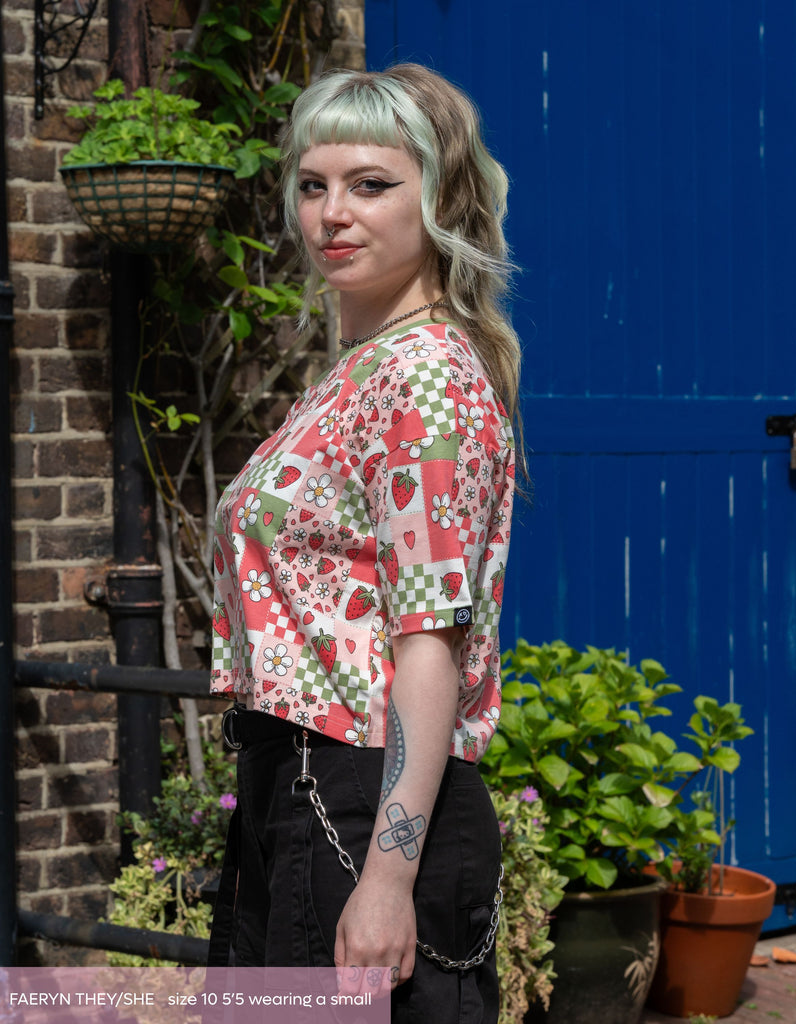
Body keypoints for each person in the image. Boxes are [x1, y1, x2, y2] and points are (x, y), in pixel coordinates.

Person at [207, 63, 522, 1024]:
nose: (331, 213)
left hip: (357, 797)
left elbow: (429, 639)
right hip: (296, 787)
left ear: (441, 197)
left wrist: (388, 870)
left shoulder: (423, 377)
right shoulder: (361, 371)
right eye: (313, 184)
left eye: (371, 184)